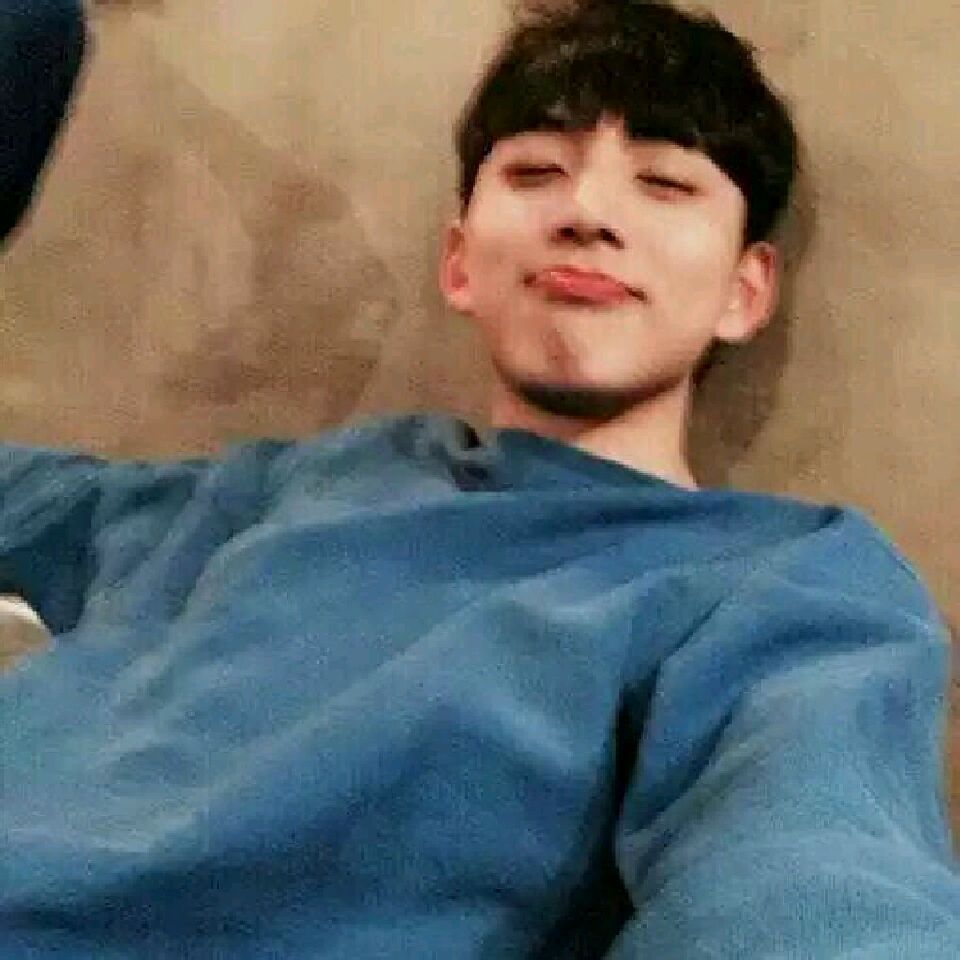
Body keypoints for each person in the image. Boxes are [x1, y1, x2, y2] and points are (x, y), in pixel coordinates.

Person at [1, 0, 958, 956]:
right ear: (459, 262)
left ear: (746, 290)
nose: (587, 214)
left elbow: (815, 861)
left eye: (665, 184)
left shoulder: (782, 581)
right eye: (536, 173)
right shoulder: (293, 486)